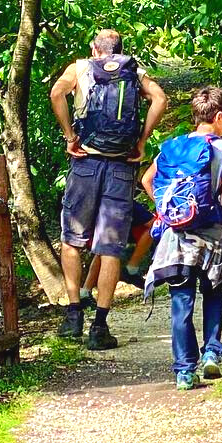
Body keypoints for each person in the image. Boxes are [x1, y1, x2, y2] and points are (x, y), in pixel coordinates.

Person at [50, 28, 167, 349]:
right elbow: (160, 99)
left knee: (72, 240)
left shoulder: (79, 68)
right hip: (120, 168)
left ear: (94, 49)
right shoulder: (134, 72)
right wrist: (141, 141)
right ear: (119, 49)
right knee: (110, 247)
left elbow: (56, 94)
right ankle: (100, 327)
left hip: (85, 165)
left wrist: (69, 136)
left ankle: (74, 314)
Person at [141, 87, 222, 389]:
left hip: (177, 237)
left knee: (181, 299)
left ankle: (184, 371)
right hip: (212, 233)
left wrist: (165, 211)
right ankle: (211, 352)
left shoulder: (171, 147)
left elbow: (147, 179)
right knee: (213, 292)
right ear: (218, 117)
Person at [81, 199, 156, 306]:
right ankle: (131, 269)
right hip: (117, 198)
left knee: (104, 248)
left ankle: (86, 292)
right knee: (154, 224)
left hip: (102, 206)